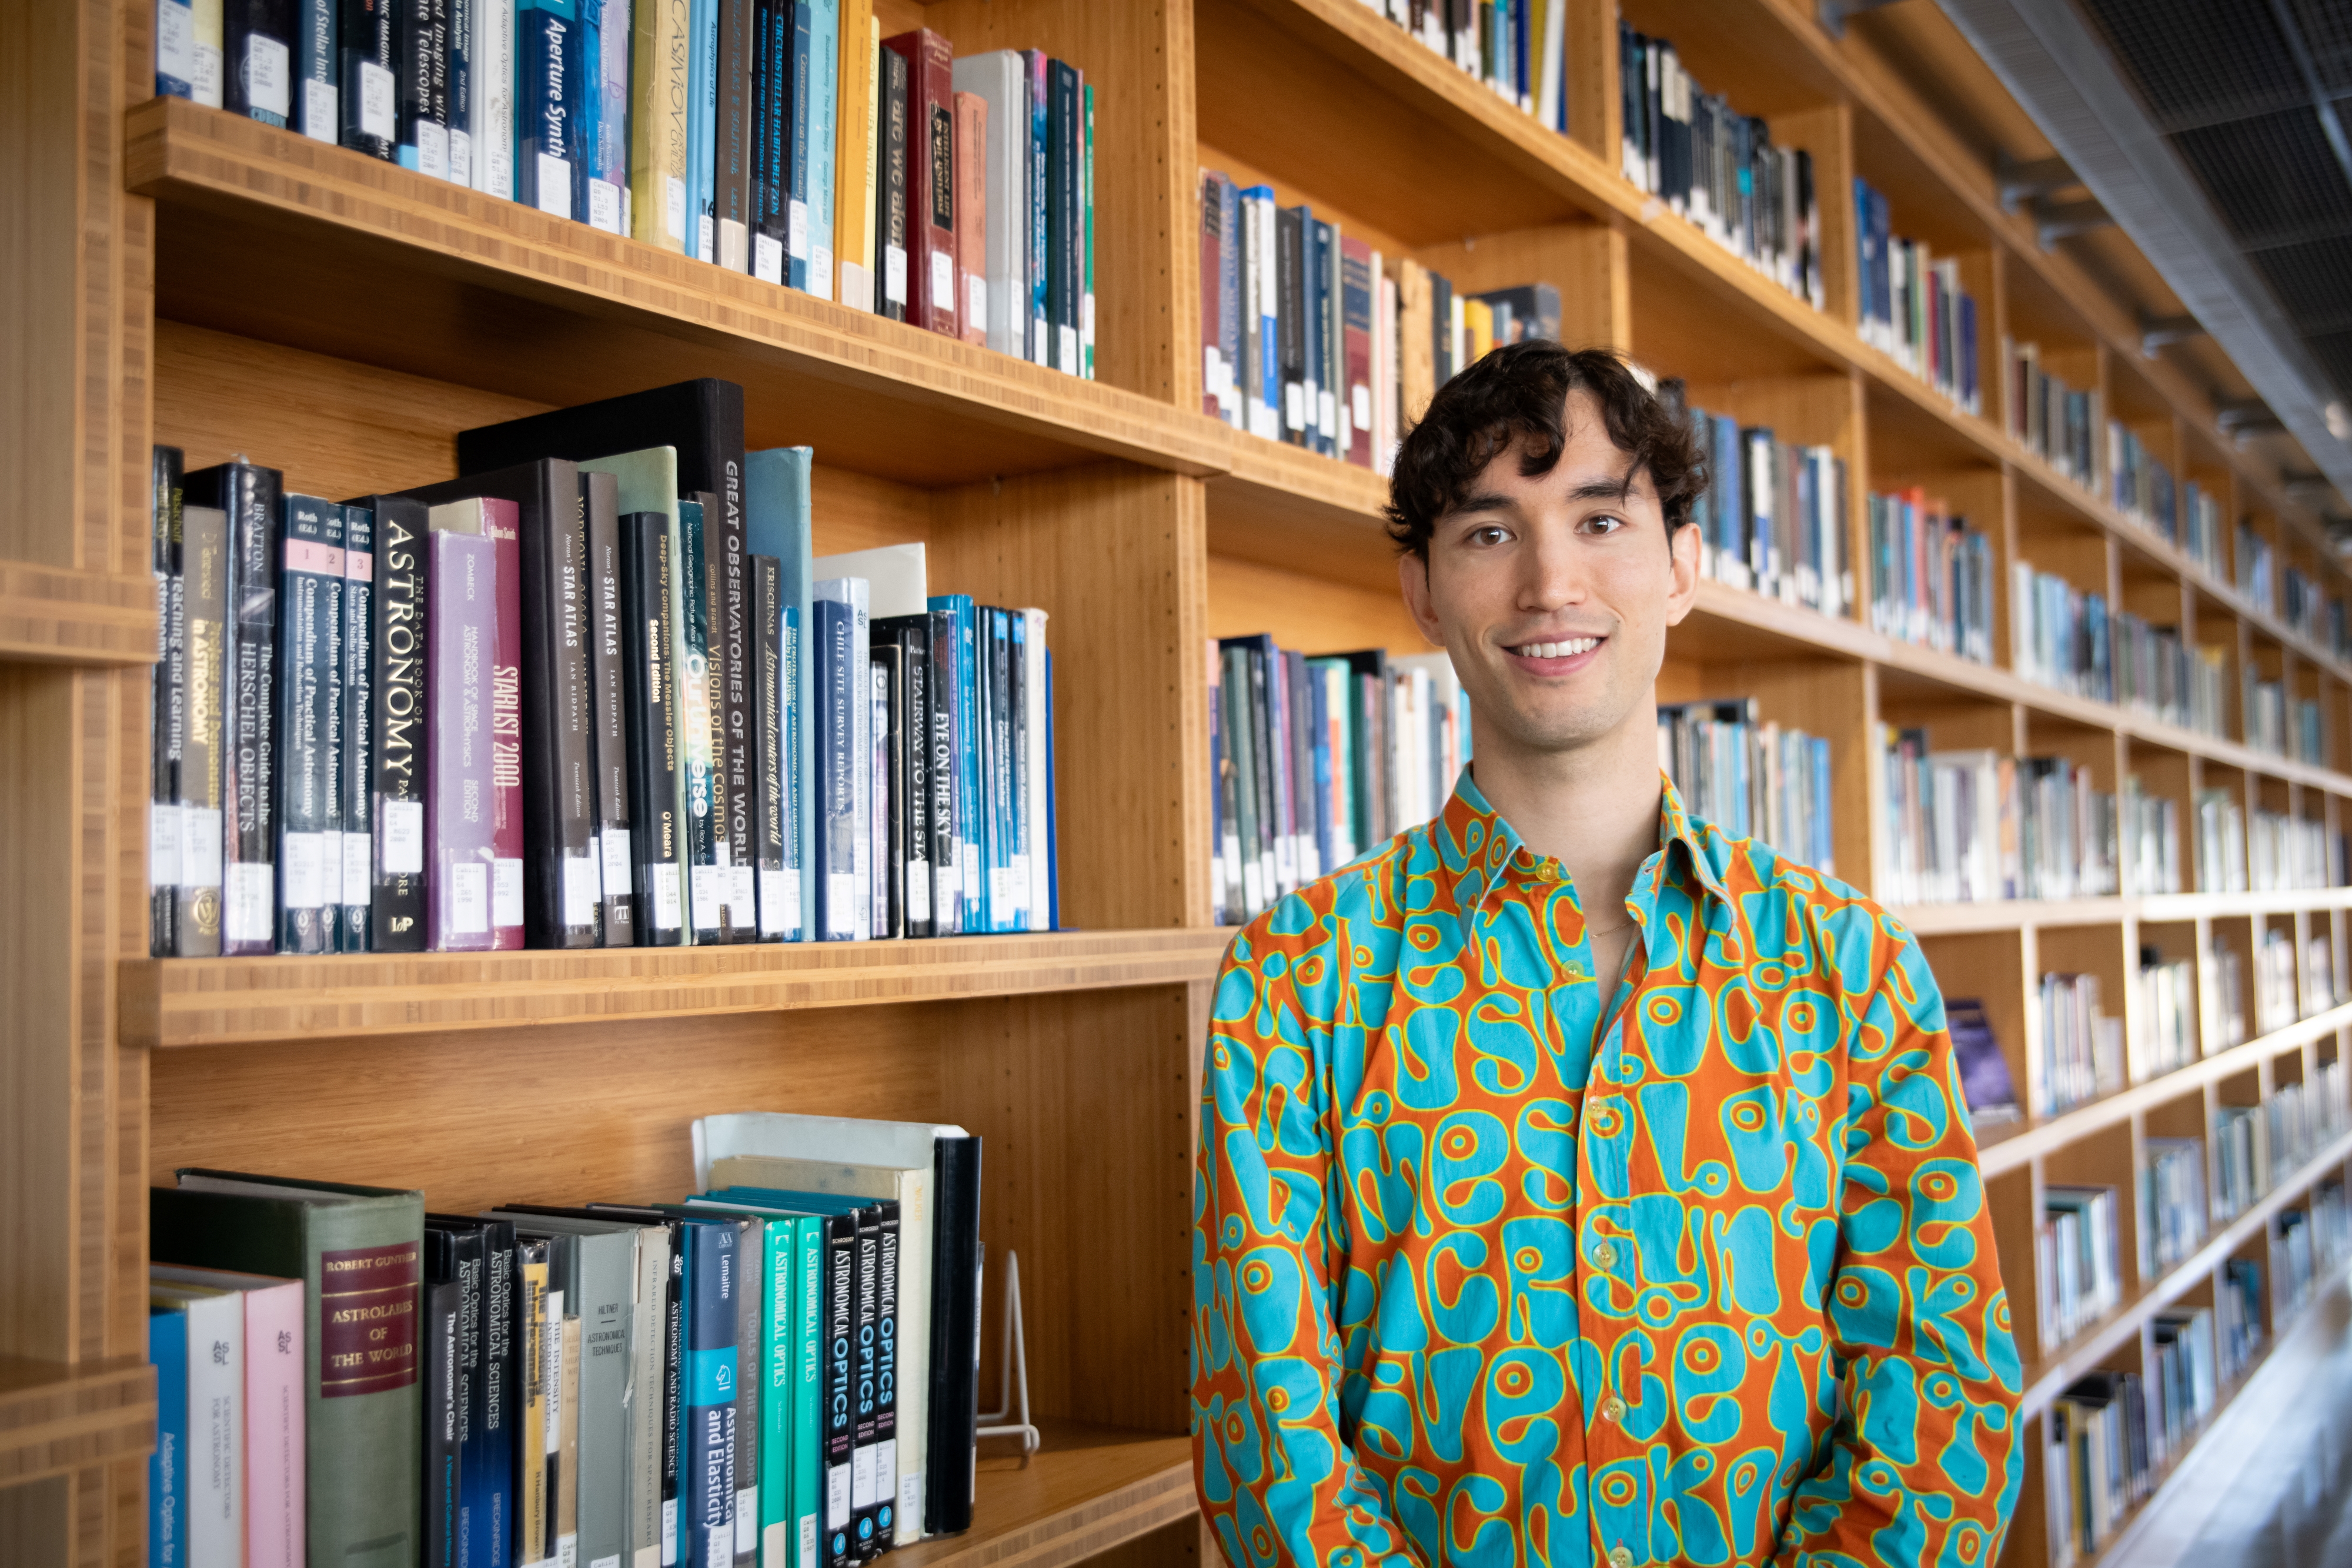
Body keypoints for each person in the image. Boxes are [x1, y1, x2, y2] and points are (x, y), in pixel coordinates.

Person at [1191, 343, 2022, 1568]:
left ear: (1681, 565)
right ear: (1420, 588)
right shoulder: (1295, 978)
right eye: (1487, 533)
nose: (1548, 582)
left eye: (1598, 519)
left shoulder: (1850, 965)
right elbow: (1270, 1441)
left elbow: (1939, 1384)